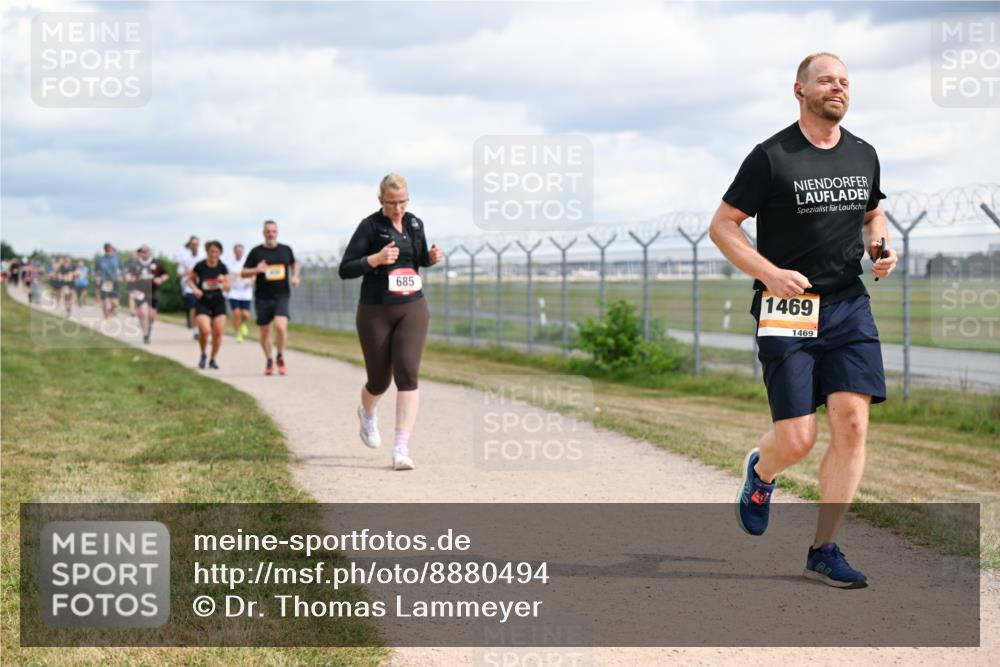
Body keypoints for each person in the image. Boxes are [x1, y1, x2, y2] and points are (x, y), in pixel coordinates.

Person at [709, 53, 898, 589]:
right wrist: (769, 273)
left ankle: (825, 549)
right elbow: (722, 226)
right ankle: (762, 473)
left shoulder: (864, 154)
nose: (837, 88)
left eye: (844, 81)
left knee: (853, 423)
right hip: (787, 307)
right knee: (796, 440)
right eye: (826, 80)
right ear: (800, 91)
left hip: (847, 304)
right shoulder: (772, 156)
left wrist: (881, 248)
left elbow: (872, 214)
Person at [339, 173, 444, 471]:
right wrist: (375, 259)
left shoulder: (414, 223)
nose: (398, 208)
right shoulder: (370, 226)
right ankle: (368, 414)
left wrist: (430, 257)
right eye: (392, 203)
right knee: (379, 380)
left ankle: (400, 448)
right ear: (381, 201)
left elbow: (417, 259)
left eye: (402, 202)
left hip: (413, 305)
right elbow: (345, 269)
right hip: (376, 310)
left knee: (407, 374)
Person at [242, 221, 299, 375]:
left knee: (281, 327)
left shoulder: (286, 250)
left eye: (273, 231)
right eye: (268, 231)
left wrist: (295, 276)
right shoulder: (256, 252)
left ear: (277, 232)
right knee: (265, 331)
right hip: (262, 297)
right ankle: (269, 359)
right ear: (263, 233)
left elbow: (294, 264)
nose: (271, 234)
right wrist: (257, 269)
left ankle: (280, 355)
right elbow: (243, 272)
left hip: (282, 295)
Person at [188, 240, 230, 369]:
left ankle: (212, 359)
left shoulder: (223, 267)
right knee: (205, 331)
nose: (213, 254)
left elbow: (228, 288)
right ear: (207, 252)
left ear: (220, 253)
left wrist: (224, 282)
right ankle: (203, 354)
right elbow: (190, 280)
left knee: (218, 333)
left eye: (216, 251)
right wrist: (195, 290)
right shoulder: (200, 266)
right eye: (211, 251)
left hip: (218, 302)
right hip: (203, 301)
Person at [126, 245, 169, 344]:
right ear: (140, 253)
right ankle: (145, 334)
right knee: (144, 313)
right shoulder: (135, 264)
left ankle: (148, 330)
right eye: (142, 251)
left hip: (154, 292)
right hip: (140, 292)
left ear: (149, 252)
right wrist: (132, 278)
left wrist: (161, 279)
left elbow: (165, 274)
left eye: (146, 251)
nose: (144, 253)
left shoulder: (156, 263)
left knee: (151, 316)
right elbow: (128, 275)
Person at [225, 243, 254, 342]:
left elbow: (254, 274)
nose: (239, 253)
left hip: (245, 291)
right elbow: (226, 275)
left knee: (245, 314)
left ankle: (242, 324)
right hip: (234, 291)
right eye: (237, 251)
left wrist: (251, 282)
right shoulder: (229, 263)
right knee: (236, 313)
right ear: (234, 252)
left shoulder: (248, 261)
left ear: (243, 251)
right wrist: (227, 283)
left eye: (240, 251)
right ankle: (237, 333)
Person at [177, 236, 204, 340]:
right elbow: (178, 275)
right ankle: (195, 330)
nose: (194, 246)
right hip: (189, 286)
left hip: (202, 286)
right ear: (189, 245)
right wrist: (186, 272)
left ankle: (202, 327)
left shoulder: (202, 257)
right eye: (192, 244)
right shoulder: (185, 258)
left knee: (202, 309)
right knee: (193, 308)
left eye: (196, 244)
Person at [95, 243, 123, 319]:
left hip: (114, 281)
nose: (108, 251)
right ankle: (106, 318)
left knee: (115, 302)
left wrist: (121, 276)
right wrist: (97, 277)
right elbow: (96, 270)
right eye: (107, 249)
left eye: (110, 249)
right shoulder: (101, 259)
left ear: (112, 249)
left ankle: (113, 310)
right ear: (104, 250)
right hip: (105, 281)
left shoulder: (116, 258)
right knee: (105, 301)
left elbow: (121, 268)